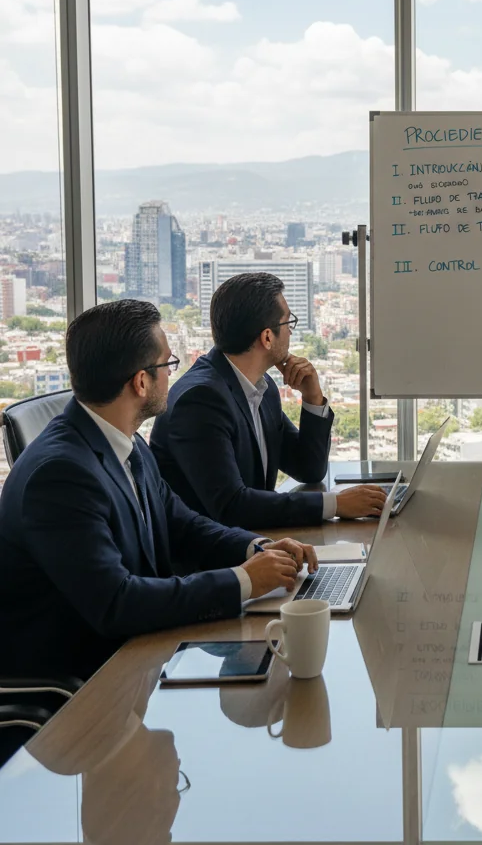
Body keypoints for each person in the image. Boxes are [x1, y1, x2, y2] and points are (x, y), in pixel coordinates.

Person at [0, 299, 314, 681]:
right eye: (168, 364)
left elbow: (181, 524)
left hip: (142, 656)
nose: (173, 375)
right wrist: (244, 581)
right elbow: (117, 603)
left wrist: (257, 548)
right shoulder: (59, 476)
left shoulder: (124, 442)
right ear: (141, 381)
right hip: (84, 687)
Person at [150, 272, 385, 528]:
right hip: (211, 561)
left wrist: (313, 397)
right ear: (267, 337)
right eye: (288, 324)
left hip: (255, 545)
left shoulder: (262, 387)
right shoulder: (200, 401)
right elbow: (232, 507)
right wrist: (336, 504)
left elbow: (309, 469)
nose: (291, 333)